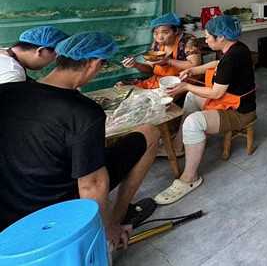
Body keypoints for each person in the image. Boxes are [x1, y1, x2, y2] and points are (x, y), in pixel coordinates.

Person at [0, 32, 159, 251]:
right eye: (103, 65)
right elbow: (91, 184)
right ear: (94, 63)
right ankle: (116, 220)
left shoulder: (6, 92)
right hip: (54, 214)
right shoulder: (83, 112)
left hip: (8, 210)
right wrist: (108, 229)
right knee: (150, 133)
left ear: (59, 57)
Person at [154, 16, 256, 204]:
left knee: (193, 122)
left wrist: (186, 86)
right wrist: (193, 70)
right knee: (192, 98)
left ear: (221, 37)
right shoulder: (236, 47)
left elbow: (216, 93)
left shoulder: (233, 56)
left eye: (208, 37)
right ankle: (178, 146)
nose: (206, 40)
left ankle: (190, 177)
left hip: (239, 111)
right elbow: (218, 64)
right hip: (230, 102)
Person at [122, 13, 201, 89]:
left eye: (165, 32)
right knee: (121, 86)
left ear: (176, 31)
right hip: (161, 80)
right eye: (156, 33)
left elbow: (194, 65)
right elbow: (149, 68)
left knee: (162, 96)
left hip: (183, 80)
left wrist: (169, 61)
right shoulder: (157, 44)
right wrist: (136, 64)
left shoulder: (188, 41)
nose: (160, 37)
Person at [0, 26, 69, 83]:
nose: (54, 61)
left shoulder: (4, 52)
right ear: (40, 51)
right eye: (56, 56)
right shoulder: (12, 75)